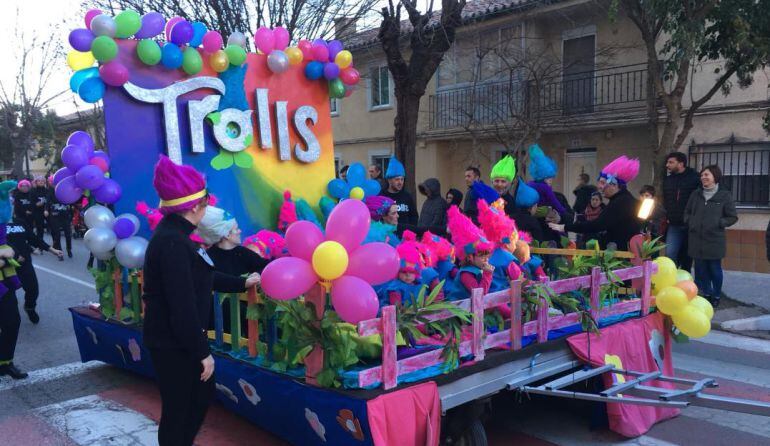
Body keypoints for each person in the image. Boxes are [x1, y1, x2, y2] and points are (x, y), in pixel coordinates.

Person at [142, 156, 260, 446]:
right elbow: (181, 305)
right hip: (174, 343)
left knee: (192, 403)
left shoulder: (179, 237)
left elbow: (204, 275)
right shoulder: (173, 242)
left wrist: (242, 282)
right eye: (206, 201)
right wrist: (200, 352)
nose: (208, 206)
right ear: (194, 206)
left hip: (175, 340)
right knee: (180, 409)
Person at [549, 156, 642, 250]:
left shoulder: (620, 202)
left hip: (621, 255)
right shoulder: (624, 199)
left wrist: (564, 227)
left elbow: (597, 225)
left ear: (614, 185)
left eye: (602, 183)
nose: (600, 187)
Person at [684, 165, 738, 307]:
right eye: (702, 175)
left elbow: (732, 217)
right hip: (696, 239)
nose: (703, 177)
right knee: (701, 270)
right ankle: (706, 293)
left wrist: (719, 223)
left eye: (706, 175)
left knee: (714, 269)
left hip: (714, 240)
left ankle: (716, 294)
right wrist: (691, 222)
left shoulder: (724, 195)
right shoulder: (696, 194)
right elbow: (687, 212)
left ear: (715, 176)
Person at [7, 208, 63, 324]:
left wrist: (52, 250)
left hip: (24, 263)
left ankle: (29, 307)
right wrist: (15, 255)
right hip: (6, 265)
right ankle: (9, 317)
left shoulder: (20, 222)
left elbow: (33, 238)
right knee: (8, 295)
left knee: (33, 289)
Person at [0, 180, 28, 379]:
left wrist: (11, 252)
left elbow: (10, 244)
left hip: (4, 281)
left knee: (12, 321)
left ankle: (5, 362)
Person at [446, 206, 495, 301]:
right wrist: (487, 274)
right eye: (482, 256)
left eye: (487, 255)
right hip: (459, 311)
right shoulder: (466, 273)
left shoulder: (477, 268)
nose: (486, 259)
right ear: (470, 257)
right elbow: (479, 295)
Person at [662, 152, 700, 271]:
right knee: (670, 254)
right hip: (674, 224)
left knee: (687, 258)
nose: (667, 165)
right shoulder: (668, 180)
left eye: (671, 162)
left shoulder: (695, 178)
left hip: (690, 225)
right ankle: (671, 279)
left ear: (681, 163)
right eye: (667, 162)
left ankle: (686, 284)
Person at [381, 156, 418, 225]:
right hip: (387, 234)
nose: (400, 182)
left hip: (405, 234)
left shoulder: (407, 196)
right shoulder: (382, 196)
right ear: (389, 180)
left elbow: (414, 217)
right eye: (397, 179)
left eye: (402, 179)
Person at [47, 186, 74, 259]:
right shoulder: (51, 190)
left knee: (68, 234)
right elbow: (48, 201)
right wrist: (46, 210)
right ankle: (60, 252)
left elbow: (71, 203)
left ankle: (69, 249)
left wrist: (71, 215)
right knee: (57, 235)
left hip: (65, 216)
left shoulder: (66, 190)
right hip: (54, 215)